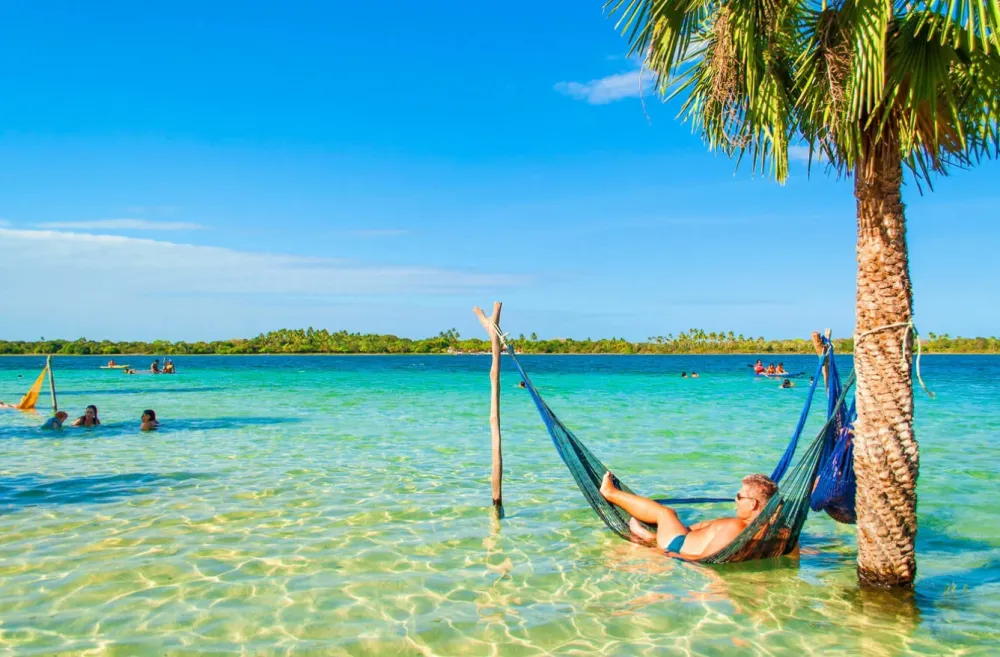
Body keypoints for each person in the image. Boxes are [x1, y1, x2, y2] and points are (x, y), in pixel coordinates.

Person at [599, 471, 778, 560]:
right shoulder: (780, 532)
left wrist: (662, 552)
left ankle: (610, 493)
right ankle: (651, 536)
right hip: (688, 538)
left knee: (666, 513)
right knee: (705, 526)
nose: (735, 500)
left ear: (753, 504)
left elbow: (706, 560)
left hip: (676, 545)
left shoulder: (736, 527)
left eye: (739, 496)